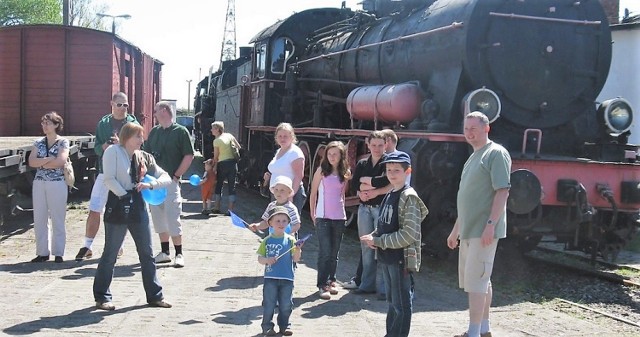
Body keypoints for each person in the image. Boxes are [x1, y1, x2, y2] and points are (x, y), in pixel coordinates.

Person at [93, 122, 172, 311]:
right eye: (138, 136)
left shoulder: (143, 157)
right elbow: (109, 178)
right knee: (110, 253)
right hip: (118, 203)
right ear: (127, 137)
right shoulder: (112, 152)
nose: (141, 140)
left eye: (142, 136)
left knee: (146, 253)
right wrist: (124, 195)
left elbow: (166, 177)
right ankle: (102, 297)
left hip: (137, 205)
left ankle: (155, 296)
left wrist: (150, 185)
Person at [447, 111, 511, 337]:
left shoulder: (496, 153)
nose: (469, 133)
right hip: (469, 229)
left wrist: (491, 224)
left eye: (473, 128)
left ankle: (473, 332)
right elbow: (467, 198)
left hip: (483, 229)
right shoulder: (474, 156)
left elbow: (502, 191)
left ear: (487, 128)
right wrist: (456, 230)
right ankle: (483, 329)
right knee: (481, 279)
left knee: (477, 282)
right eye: (466, 129)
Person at [360, 151, 428, 337]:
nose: (391, 173)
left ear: (408, 171)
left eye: (396, 170)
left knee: (401, 304)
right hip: (387, 256)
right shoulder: (390, 193)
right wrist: (373, 236)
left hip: (400, 259)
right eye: (389, 169)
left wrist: (379, 241)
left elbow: (409, 234)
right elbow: (384, 224)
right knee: (392, 301)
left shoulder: (409, 197)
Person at [76, 92, 138, 261]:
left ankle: (119, 245)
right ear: (112, 104)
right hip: (105, 172)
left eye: (125, 105)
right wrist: (104, 145)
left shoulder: (132, 123)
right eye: (120, 105)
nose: (123, 108)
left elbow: (140, 148)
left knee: (123, 209)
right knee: (95, 208)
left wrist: (122, 144)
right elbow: (96, 148)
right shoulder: (103, 123)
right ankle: (87, 246)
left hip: (124, 173)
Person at [145, 101, 195, 268]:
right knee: (158, 217)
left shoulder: (181, 132)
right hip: (154, 182)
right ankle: (165, 252)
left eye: (156, 110)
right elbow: (146, 155)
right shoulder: (154, 132)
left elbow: (189, 156)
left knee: (173, 217)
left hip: (170, 181)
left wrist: (176, 176)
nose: (154, 113)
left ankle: (179, 253)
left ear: (165, 111)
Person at [346, 131, 390, 296]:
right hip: (364, 208)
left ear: (385, 144)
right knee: (366, 247)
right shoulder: (363, 163)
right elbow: (355, 182)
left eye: (380, 145)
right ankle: (367, 284)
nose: (377, 148)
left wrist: (369, 185)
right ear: (368, 144)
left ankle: (385, 288)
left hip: (381, 208)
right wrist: (365, 189)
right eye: (374, 145)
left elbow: (385, 180)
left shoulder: (388, 162)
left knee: (383, 246)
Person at [309, 141, 351, 300]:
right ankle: (322, 284)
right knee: (325, 252)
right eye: (330, 154)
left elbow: (342, 194)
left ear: (341, 156)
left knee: (334, 253)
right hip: (323, 217)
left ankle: (332, 280)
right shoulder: (321, 171)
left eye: (336, 154)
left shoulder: (345, 172)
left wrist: (344, 211)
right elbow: (313, 193)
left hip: (339, 217)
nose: (332, 157)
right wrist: (313, 214)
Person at [28, 112, 70, 263]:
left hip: (57, 183)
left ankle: (58, 252)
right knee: (39, 218)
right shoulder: (38, 142)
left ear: (56, 125)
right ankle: (42, 252)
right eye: (43, 123)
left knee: (58, 217)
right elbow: (31, 162)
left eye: (48, 123)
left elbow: (60, 161)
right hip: (39, 182)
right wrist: (48, 160)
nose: (44, 126)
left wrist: (41, 162)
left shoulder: (62, 142)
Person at [257, 206, 303, 336]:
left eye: (284, 221)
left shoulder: (291, 240)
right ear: (270, 223)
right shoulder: (267, 240)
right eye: (278, 221)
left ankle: (285, 326)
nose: (281, 224)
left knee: (286, 305)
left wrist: (298, 250)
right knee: (269, 304)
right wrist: (267, 260)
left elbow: (296, 259)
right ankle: (267, 327)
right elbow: (260, 258)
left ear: (288, 223)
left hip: (287, 278)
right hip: (270, 278)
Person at [264, 123, 307, 213]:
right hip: (277, 193)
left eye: (285, 136)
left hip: (289, 194)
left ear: (292, 137)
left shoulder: (295, 153)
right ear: (276, 138)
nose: (282, 139)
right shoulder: (279, 151)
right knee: (276, 223)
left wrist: (291, 195)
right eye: (280, 136)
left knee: (287, 224)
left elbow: (299, 176)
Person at [210, 121, 240, 215]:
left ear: (217, 129)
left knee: (219, 185)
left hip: (222, 165)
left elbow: (216, 157)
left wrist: (213, 165)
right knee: (232, 186)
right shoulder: (229, 136)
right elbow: (238, 147)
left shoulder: (216, 141)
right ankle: (230, 210)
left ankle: (216, 207)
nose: (211, 130)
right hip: (233, 164)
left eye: (213, 128)